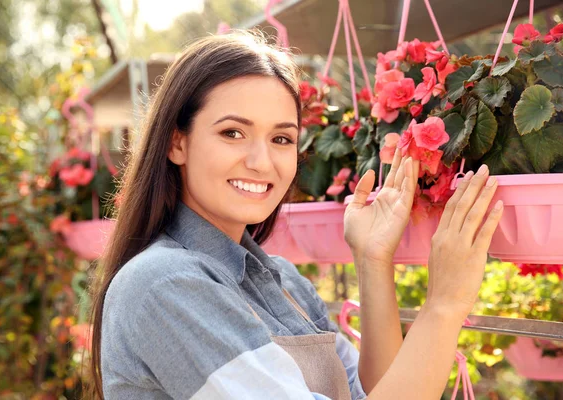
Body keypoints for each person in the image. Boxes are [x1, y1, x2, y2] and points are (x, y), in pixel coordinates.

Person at [88, 31, 503, 400]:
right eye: (233, 132)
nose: (261, 161)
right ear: (176, 143)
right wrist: (444, 305)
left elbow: (373, 393)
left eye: (281, 138)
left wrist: (373, 259)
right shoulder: (165, 283)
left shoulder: (283, 282)